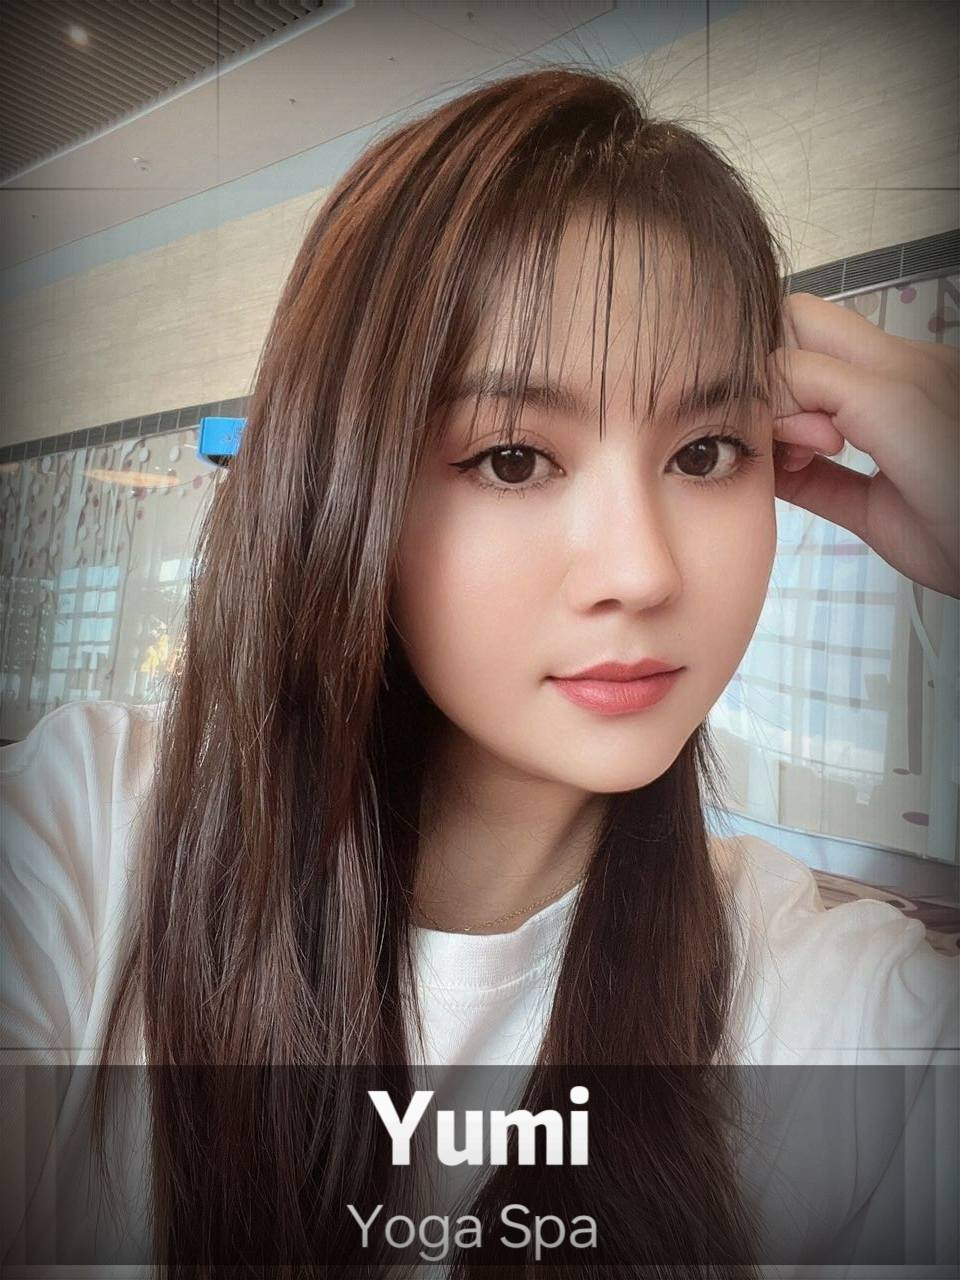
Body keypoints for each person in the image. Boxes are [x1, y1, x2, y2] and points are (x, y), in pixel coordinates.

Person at [2, 64, 957, 1278]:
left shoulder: (830, 1005)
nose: (641, 570)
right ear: (345, 485)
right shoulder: (88, 836)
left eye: (706, 450)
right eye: (512, 458)